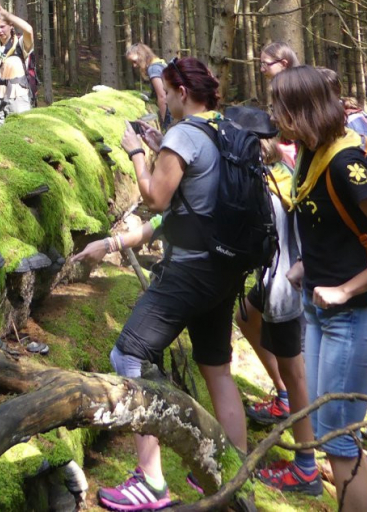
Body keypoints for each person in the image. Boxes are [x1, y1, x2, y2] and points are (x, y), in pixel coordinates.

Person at [95, 57, 247, 511]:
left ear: (181, 92)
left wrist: (137, 153)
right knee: (217, 368)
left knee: (128, 354)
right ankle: (233, 470)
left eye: (168, 89)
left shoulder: (184, 133)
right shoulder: (222, 129)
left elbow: (155, 198)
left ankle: (152, 483)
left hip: (191, 269)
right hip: (224, 266)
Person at [272, 66, 367, 511]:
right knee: (326, 426)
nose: (273, 115)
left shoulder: (345, 162)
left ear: (300, 111)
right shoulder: (314, 154)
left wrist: (345, 290)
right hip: (320, 309)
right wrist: (303, 265)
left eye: (279, 106)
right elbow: (333, 228)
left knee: (340, 440)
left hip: (352, 317)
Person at [225, 106, 320, 496]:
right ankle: (282, 395)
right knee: (246, 317)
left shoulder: (267, 180)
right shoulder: (272, 171)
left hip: (286, 285)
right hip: (277, 277)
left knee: (295, 371)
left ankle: (306, 467)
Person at [126, 43, 170, 129]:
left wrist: (165, 123)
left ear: (141, 55)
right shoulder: (160, 63)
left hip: (170, 113)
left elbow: (162, 96)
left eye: (135, 61)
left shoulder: (153, 69)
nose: (134, 66)